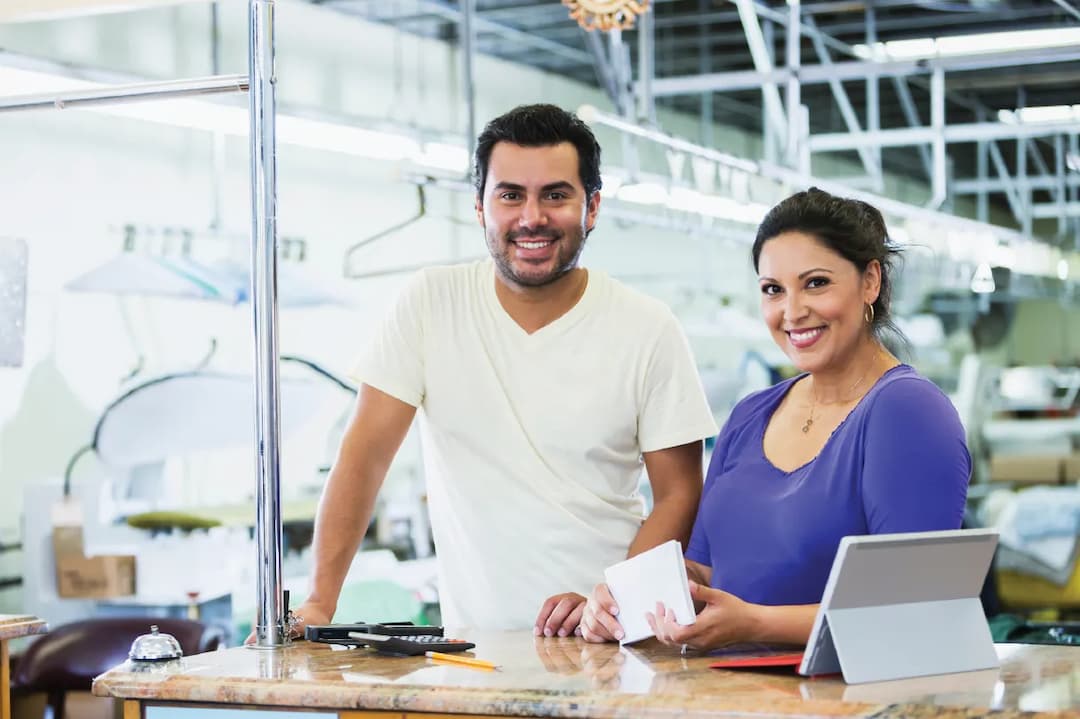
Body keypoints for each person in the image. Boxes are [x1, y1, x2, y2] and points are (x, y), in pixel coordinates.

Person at [285, 104, 718, 638]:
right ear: (479, 206)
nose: (531, 217)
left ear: (593, 207)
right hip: (474, 652)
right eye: (510, 194)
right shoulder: (430, 303)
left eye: (555, 195)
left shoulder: (648, 327)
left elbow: (679, 494)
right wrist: (318, 603)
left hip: (613, 645)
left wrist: (616, 604)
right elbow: (364, 458)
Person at [580, 187, 971, 650]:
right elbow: (704, 568)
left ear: (871, 281)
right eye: (773, 290)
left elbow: (914, 608)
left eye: (816, 283)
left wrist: (756, 624)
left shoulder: (906, 412)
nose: (792, 311)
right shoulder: (750, 415)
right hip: (729, 695)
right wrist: (628, 597)